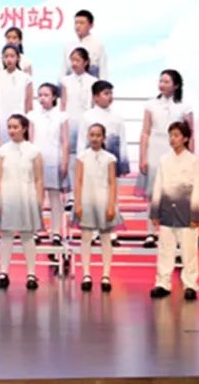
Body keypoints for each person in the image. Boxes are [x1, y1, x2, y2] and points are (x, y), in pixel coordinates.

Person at [137, 69, 194, 247]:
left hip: (176, 150)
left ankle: (175, 233)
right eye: (161, 81)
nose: (162, 84)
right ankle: (150, 233)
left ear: (176, 85)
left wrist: (191, 158)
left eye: (166, 82)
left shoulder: (184, 106)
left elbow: (191, 134)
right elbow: (145, 132)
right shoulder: (151, 105)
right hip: (155, 147)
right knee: (153, 193)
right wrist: (142, 157)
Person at [150, 121, 199, 301]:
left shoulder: (193, 161)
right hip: (167, 211)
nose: (172, 139)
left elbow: (197, 189)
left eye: (176, 135)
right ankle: (163, 283)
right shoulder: (164, 160)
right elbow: (158, 185)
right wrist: (155, 212)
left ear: (185, 138)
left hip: (186, 211)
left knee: (189, 250)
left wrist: (196, 214)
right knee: (165, 249)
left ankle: (190, 284)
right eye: (170, 135)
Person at [0, 114, 44, 291]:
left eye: (15, 127)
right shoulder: (2, 151)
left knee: (27, 236)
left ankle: (31, 274)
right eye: (9, 127)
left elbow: (38, 179)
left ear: (24, 128)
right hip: (7, 196)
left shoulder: (34, 151)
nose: (11, 130)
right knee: (6, 235)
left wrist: (39, 200)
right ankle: (3, 273)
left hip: (27, 196)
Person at [74, 123, 122, 293]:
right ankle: (86, 274)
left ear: (103, 138)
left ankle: (106, 275)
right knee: (86, 237)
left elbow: (112, 182)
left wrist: (111, 204)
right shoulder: (82, 156)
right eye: (92, 135)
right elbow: (78, 181)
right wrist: (78, 203)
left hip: (103, 200)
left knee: (105, 238)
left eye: (98, 135)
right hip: (87, 199)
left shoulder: (109, 158)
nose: (94, 138)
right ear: (88, 136)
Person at [30, 83, 68, 246]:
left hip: (54, 158)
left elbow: (65, 141)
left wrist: (64, 161)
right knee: (36, 197)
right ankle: (36, 230)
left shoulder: (62, 116)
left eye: (46, 95)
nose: (42, 98)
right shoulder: (32, 116)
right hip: (37, 159)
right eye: (40, 95)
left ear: (54, 97)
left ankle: (56, 232)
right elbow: (30, 140)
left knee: (54, 197)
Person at [61, 47, 96, 197]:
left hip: (87, 123)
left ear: (85, 62)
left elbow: (94, 105)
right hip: (70, 122)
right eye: (72, 60)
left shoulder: (93, 81)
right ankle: (71, 194)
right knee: (70, 156)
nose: (74, 63)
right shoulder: (65, 81)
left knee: (86, 155)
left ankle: (85, 192)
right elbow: (63, 104)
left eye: (77, 60)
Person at [78, 81, 130, 180]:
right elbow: (81, 142)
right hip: (91, 162)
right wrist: (80, 163)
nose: (110, 96)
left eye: (111, 93)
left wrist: (124, 164)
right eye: (106, 93)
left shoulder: (117, 116)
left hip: (112, 162)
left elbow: (122, 141)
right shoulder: (87, 116)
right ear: (95, 97)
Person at [0, 45, 33, 137]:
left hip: (20, 117)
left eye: (12, 56)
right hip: (1, 118)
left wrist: (27, 122)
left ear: (18, 58)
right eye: (6, 56)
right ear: (2, 59)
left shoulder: (26, 78)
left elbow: (28, 102)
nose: (9, 59)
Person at [61, 9, 107, 79]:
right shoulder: (68, 45)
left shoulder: (98, 45)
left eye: (82, 23)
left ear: (91, 25)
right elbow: (64, 70)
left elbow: (103, 71)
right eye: (76, 23)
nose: (78, 26)